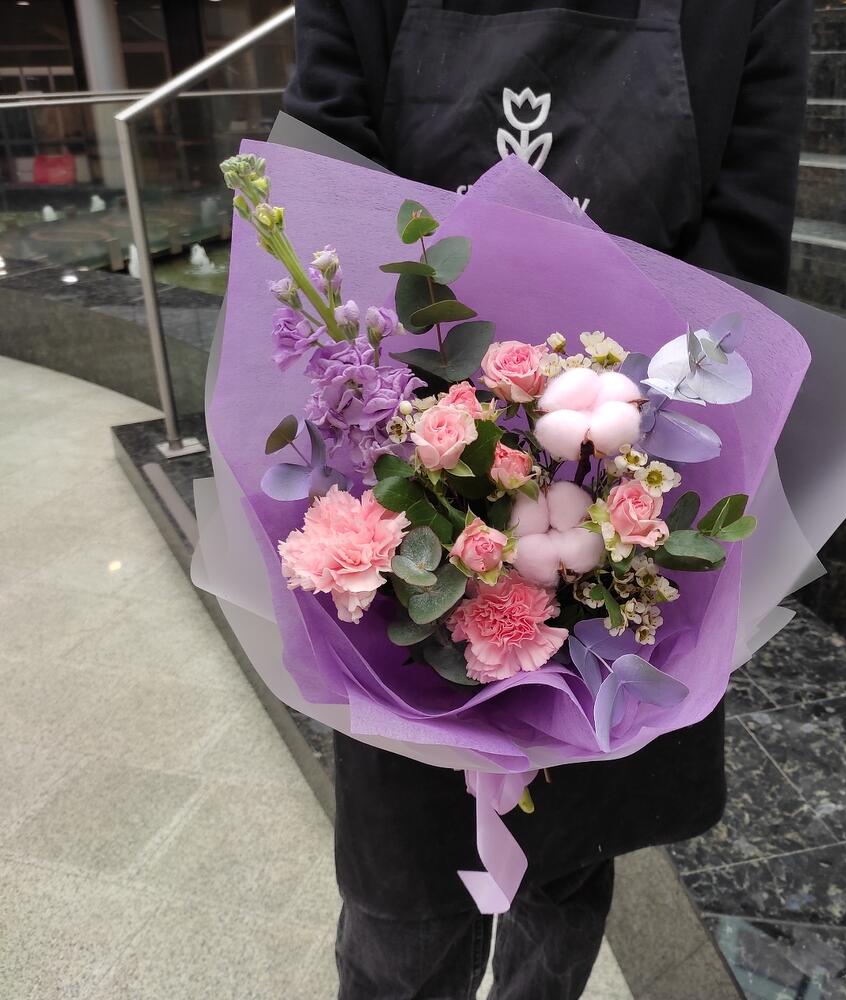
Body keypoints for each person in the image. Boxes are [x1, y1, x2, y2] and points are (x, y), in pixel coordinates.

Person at [285, 3, 811, 997]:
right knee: (405, 911)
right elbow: (323, 199)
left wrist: (611, 485)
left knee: (566, 871)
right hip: (408, 525)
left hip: (624, 528)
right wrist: (435, 480)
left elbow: (737, 264)